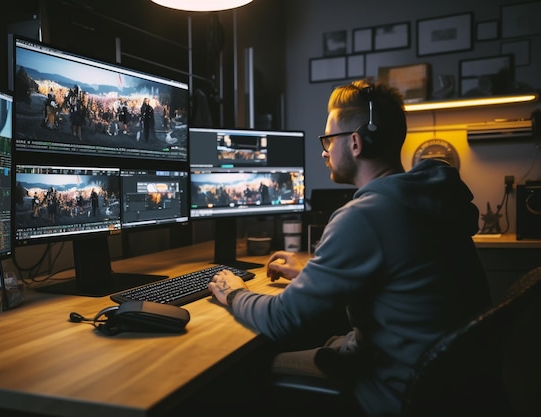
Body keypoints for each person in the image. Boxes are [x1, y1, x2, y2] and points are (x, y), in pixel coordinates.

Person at [208, 80, 491, 417]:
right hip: (447, 388)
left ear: (355, 142)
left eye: (327, 139)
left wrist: (234, 292)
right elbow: (402, 282)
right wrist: (311, 274)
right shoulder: (423, 200)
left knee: (246, 372)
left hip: (394, 392)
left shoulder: (366, 215)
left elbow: (281, 319)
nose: (324, 151)